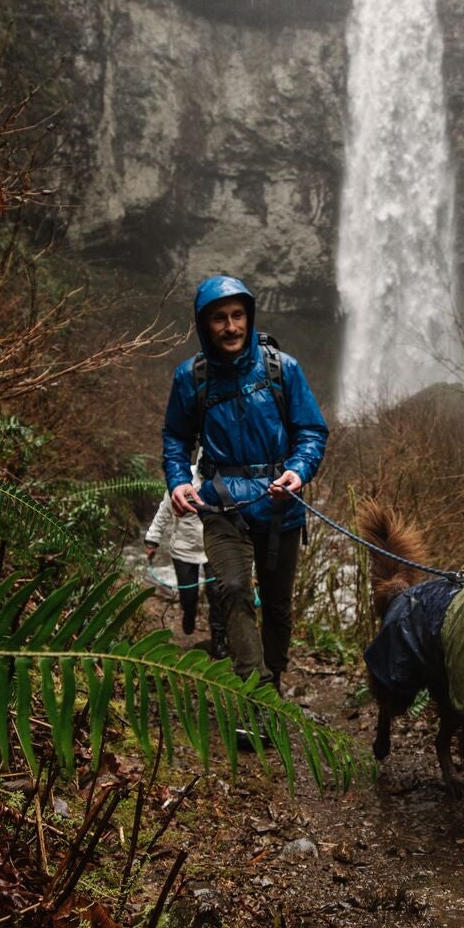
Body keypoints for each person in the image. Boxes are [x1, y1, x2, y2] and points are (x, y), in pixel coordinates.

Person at [162, 274, 328, 692]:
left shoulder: (282, 369)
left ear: (250, 317)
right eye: (220, 318)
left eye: (238, 316)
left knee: (276, 607)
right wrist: (179, 480)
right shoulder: (191, 377)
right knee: (233, 589)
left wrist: (298, 471)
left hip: (279, 504)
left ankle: (272, 683)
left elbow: (311, 431)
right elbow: (176, 438)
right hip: (220, 504)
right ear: (205, 324)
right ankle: (253, 691)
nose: (231, 327)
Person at [143, 472, 228, 657]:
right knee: (188, 596)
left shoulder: (228, 478)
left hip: (215, 548)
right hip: (183, 550)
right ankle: (189, 612)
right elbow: (164, 511)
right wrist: (152, 540)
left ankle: (218, 640)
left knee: (217, 593)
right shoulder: (182, 477)